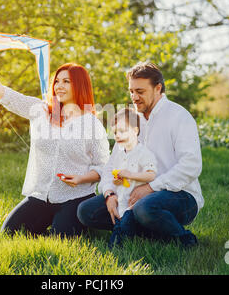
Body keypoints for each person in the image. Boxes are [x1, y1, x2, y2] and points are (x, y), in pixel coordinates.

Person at [0, 39, 110, 237]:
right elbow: (4, 93)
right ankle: (52, 227)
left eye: (66, 81)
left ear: (79, 86)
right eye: (57, 81)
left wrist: (81, 178)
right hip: (41, 195)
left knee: (61, 239)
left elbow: (103, 167)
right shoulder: (42, 111)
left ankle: (64, 227)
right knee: (10, 233)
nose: (58, 86)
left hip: (75, 197)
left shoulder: (91, 123)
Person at [78, 62, 204, 247]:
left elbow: (191, 165)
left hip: (180, 195)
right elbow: (111, 167)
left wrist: (151, 187)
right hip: (132, 194)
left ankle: (184, 239)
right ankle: (146, 231)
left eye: (140, 91)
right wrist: (109, 194)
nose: (134, 97)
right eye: (131, 91)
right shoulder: (131, 120)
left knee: (144, 208)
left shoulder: (179, 117)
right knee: (86, 211)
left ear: (158, 88)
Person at [101, 108, 157, 248]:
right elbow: (114, 173)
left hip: (135, 203)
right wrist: (117, 180)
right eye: (115, 132)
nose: (118, 135)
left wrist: (131, 175)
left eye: (123, 131)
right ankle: (125, 238)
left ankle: (116, 247)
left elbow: (151, 175)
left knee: (124, 226)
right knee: (120, 223)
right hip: (121, 200)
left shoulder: (144, 153)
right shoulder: (120, 153)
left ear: (135, 131)